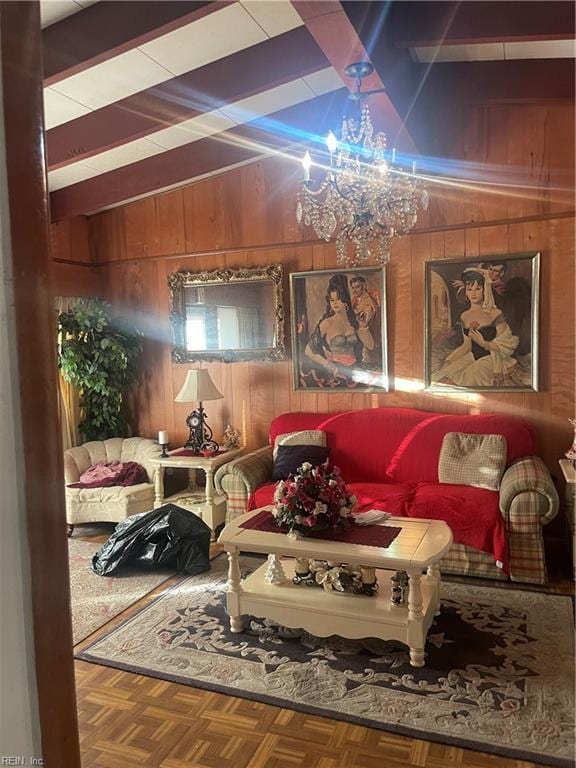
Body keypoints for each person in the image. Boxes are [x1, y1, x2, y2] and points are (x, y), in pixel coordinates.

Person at [433, 267, 519, 387]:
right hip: (473, 356)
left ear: (484, 291)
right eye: (470, 289)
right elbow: (467, 346)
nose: (473, 293)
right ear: (466, 292)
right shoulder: (464, 316)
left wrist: (484, 343)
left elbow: (507, 345)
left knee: (467, 377)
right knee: (444, 377)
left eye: (478, 289)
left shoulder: (495, 313)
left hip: (492, 359)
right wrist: (450, 360)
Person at [304, 274, 374, 383]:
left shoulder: (353, 321)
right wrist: (329, 365)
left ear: (345, 301)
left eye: (338, 299)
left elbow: (371, 345)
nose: (335, 303)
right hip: (335, 371)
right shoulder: (327, 323)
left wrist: (363, 325)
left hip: (354, 368)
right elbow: (308, 351)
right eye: (332, 300)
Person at [349, 275, 380, 364]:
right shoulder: (355, 300)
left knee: (367, 362)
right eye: (353, 287)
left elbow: (367, 314)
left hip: (368, 335)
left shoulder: (368, 300)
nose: (354, 290)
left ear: (364, 286)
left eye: (357, 287)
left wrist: (357, 315)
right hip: (357, 335)